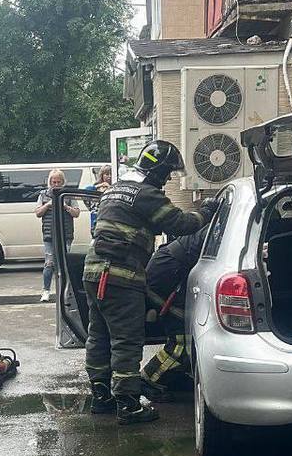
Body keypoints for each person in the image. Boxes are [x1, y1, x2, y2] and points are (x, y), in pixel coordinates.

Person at [83, 140, 218, 424]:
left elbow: (142, 224)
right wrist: (207, 210)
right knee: (127, 340)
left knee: (99, 336)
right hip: (119, 276)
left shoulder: (116, 190)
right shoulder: (145, 194)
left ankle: (101, 397)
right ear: (158, 171)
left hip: (94, 273)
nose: (168, 180)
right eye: (168, 173)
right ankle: (129, 405)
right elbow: (180, 224)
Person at [140, 222, 211, 399]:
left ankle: (175, 377)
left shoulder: (222, 224)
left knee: (184, 332)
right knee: (181, 339)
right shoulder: (227, 227)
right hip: (165, 276)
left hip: (168, 270)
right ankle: (148, 378)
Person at [35, 169, 80, 303]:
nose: (56, 185)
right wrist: (48, 205)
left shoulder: (69, 195)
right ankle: (46, 291)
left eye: (59, 182)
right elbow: (37, 213)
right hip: (49, 236)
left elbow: (76, 213)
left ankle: (66, 292)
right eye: (54, 182)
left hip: (65, 235)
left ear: (63, 182)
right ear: (50, 182)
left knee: (65, 264)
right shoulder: (43, 195)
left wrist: (65, 206)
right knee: (49, 264)